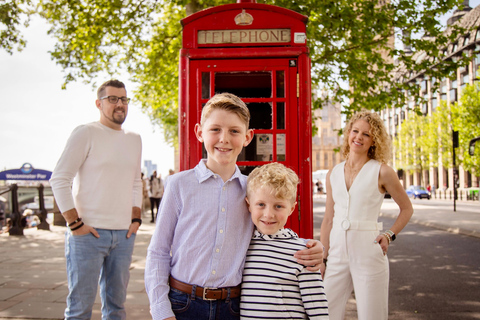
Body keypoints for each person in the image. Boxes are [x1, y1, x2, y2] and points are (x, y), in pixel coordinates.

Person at [145, 93, 323, 320]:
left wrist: (313, 247)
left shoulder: (252, 190)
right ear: (200, 132)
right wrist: (160, 309)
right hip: (182, 303)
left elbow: (273, 230)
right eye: (215, 129)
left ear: (248, 137)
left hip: (233, 307)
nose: (224, 138)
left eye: (234, 131)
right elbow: (158, 251)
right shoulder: (178, 185)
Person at [50, 79, 143, 320]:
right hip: (87, 235)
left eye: (123, 99)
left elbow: (135, 182)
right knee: (79, 310)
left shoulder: (134, 139)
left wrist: (135, 219)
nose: (119, 104)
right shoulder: (86, 132)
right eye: (112, 99)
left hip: (123, 235)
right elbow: (59, 179)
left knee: (116, 308)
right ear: (98, 103)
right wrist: (74, 224)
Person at [319, 110, 413, 320]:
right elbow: (328, 219)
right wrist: (323, 258)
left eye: (366, 135)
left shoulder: (382, 171)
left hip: (368, 252)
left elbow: (407, 208)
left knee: (372, 315)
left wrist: (389, 234)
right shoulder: (333, 173)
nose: (358, 137)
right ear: (348, 133)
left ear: (374, 141)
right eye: (355, 131)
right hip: (336, 253)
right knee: (324, 313)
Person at [240, 162, 329, 319]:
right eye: (261, 204)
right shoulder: (242, 245)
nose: (268, 214)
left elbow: (317, 306)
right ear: (249, 205)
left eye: (278, 206)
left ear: (292, 208)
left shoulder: (303, 251)